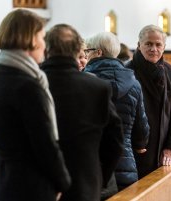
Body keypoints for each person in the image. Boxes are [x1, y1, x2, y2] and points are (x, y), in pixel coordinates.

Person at [0, 9, 71, 201]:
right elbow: (44, 144)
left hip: (1, 181)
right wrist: (63, 182)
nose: (44, 45)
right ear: (30, 39)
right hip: (29, 186)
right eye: (42, 37)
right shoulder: (27, 86)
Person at [41, 24, 124, 201]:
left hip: (41, 184)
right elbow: (115, 141)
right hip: (85, 184)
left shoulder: (32, 85)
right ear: (76, 51)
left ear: (46, 50)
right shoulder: (96, 87)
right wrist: (100, 176)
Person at [84, 32, 150, 193]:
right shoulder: (134, 84)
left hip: (95, 164)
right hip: (125, 164)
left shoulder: (84, 81)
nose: (86, 55)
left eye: (88, 50)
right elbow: (142, 127)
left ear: (98, 52)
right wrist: (140, 144)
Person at [125, 24, 171, 179]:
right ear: (138, 45)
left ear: (164, 47)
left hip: (163, 151)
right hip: (137, 151)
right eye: (148, 44)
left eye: (158, 45)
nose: (153, 49)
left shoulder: (168, 70)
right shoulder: (128, 71)